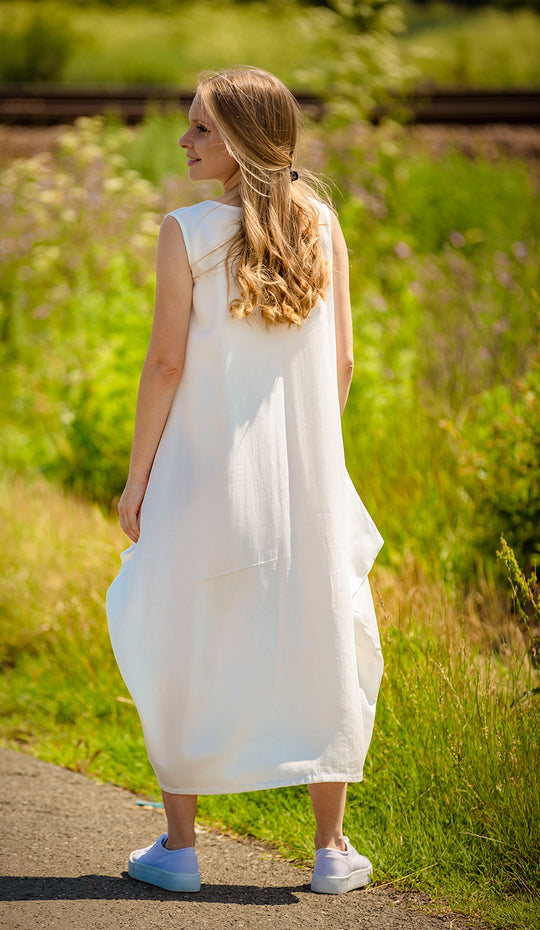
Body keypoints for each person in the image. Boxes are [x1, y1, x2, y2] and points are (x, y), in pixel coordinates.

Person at [106, 66, 383, 896]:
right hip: (310, 481)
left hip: (204, 477)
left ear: (243, 140)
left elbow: (164, 363)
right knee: (319, 635)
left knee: (179, 635)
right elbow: (342, 361)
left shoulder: (185, 232)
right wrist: (310, 462)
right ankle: (332, 852)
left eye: (201, 128)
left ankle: (181, 851)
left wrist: (137, 477)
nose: (185, 141)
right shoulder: (322, 223)